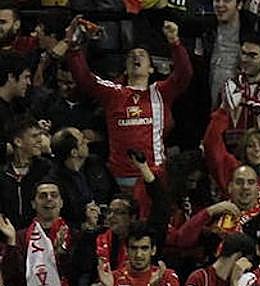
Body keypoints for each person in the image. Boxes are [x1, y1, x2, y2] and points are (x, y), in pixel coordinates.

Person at [62, 19, 192, 185]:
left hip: (154, 174)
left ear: (151, 69)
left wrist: (174, 42)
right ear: (125, 68)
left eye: (142, 55)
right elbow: (85, 79)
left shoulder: (160, 92)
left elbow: (184, 75)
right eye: (131, 56)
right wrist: (73, 48)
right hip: (120, 177)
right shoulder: (113, 92)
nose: (136, 56)